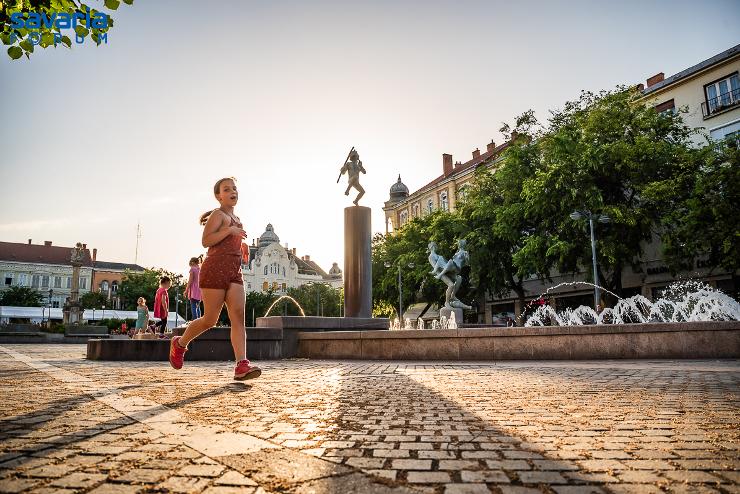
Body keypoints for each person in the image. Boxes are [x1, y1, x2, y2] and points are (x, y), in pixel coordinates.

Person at [169, 177, 261, 380]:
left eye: (234, 188)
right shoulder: (218, 216)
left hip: (234, 272)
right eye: (227, 189)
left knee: (238, 316)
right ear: (219, 196)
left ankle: (241, 365)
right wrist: (230, 231)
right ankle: (180, 344)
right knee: (210, 320)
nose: (232, 191)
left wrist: (241, 244)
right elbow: (206, 241)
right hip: (214, 269)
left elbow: (228, 240)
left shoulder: (237, 219)